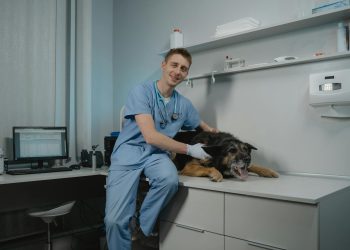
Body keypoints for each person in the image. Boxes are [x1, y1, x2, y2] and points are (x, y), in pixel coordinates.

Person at [104, 48, 218, 250]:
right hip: (129, 153)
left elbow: (196, 120)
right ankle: (125, 228)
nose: (177, 71)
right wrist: (190, 150)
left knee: (169, 180)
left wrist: (211, 130)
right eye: (174, 65)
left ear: (186, 74)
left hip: (156, 156)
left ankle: (140, 225)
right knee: (115, 221)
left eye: (184, 68)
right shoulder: (142, 92)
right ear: (163, 65)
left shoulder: (183, 104)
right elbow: (150, 136)